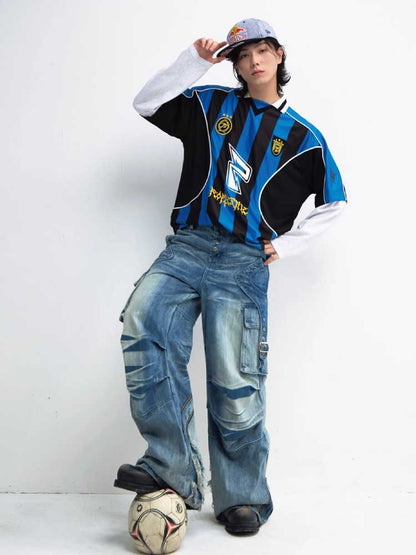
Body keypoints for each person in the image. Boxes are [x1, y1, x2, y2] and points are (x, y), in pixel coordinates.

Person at [113, 18, 348, 536]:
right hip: (187, 248)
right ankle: (171, 469)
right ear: (235, 65)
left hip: (243, 262)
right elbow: (146, 103)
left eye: (261, 51)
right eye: (242, 55)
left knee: (235, 380)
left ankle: (241, 496)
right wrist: (193, 63)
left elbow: (335, 202)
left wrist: (284, 246)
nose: (253, 61)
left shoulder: (305, 139)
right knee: (143, 323)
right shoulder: (210, 105)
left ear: (279, 55)